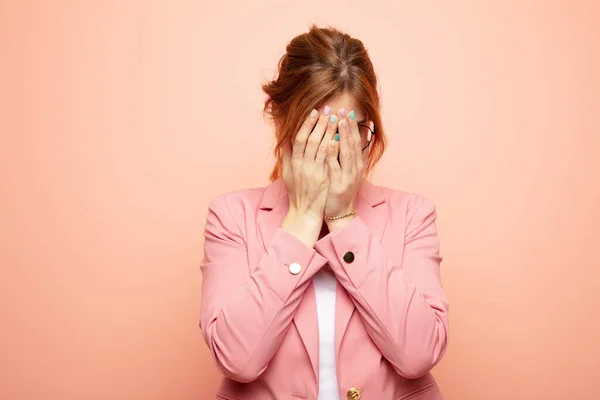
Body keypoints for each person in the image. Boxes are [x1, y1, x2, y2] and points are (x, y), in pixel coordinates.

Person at [199, 24, 448, 400]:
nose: (331, 151)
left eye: (349, 132)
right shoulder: (231, 216)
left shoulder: (412, 215)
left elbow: (418, 355)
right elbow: (238, 360)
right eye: (314, 132)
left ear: (370, 130)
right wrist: (300, 221)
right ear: (281, 123)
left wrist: (345, 220)